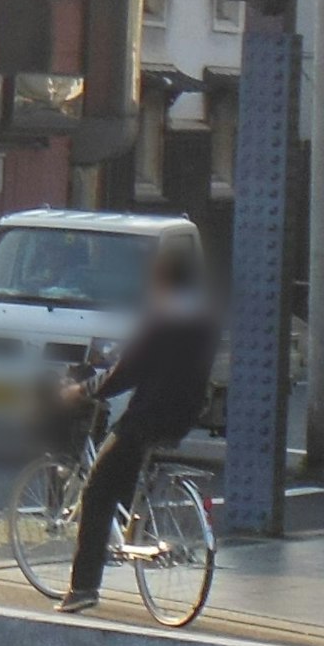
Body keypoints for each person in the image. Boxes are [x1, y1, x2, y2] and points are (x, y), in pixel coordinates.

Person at [56, 242, 219, 614]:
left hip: (148, 416)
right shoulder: (205, 319)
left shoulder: (163, 319)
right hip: (183, 415)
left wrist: (84, 390)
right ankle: (134, 522)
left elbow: (128, 371)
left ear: (163, 279)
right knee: (124, 475)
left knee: (97, 490)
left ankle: (82, 587)